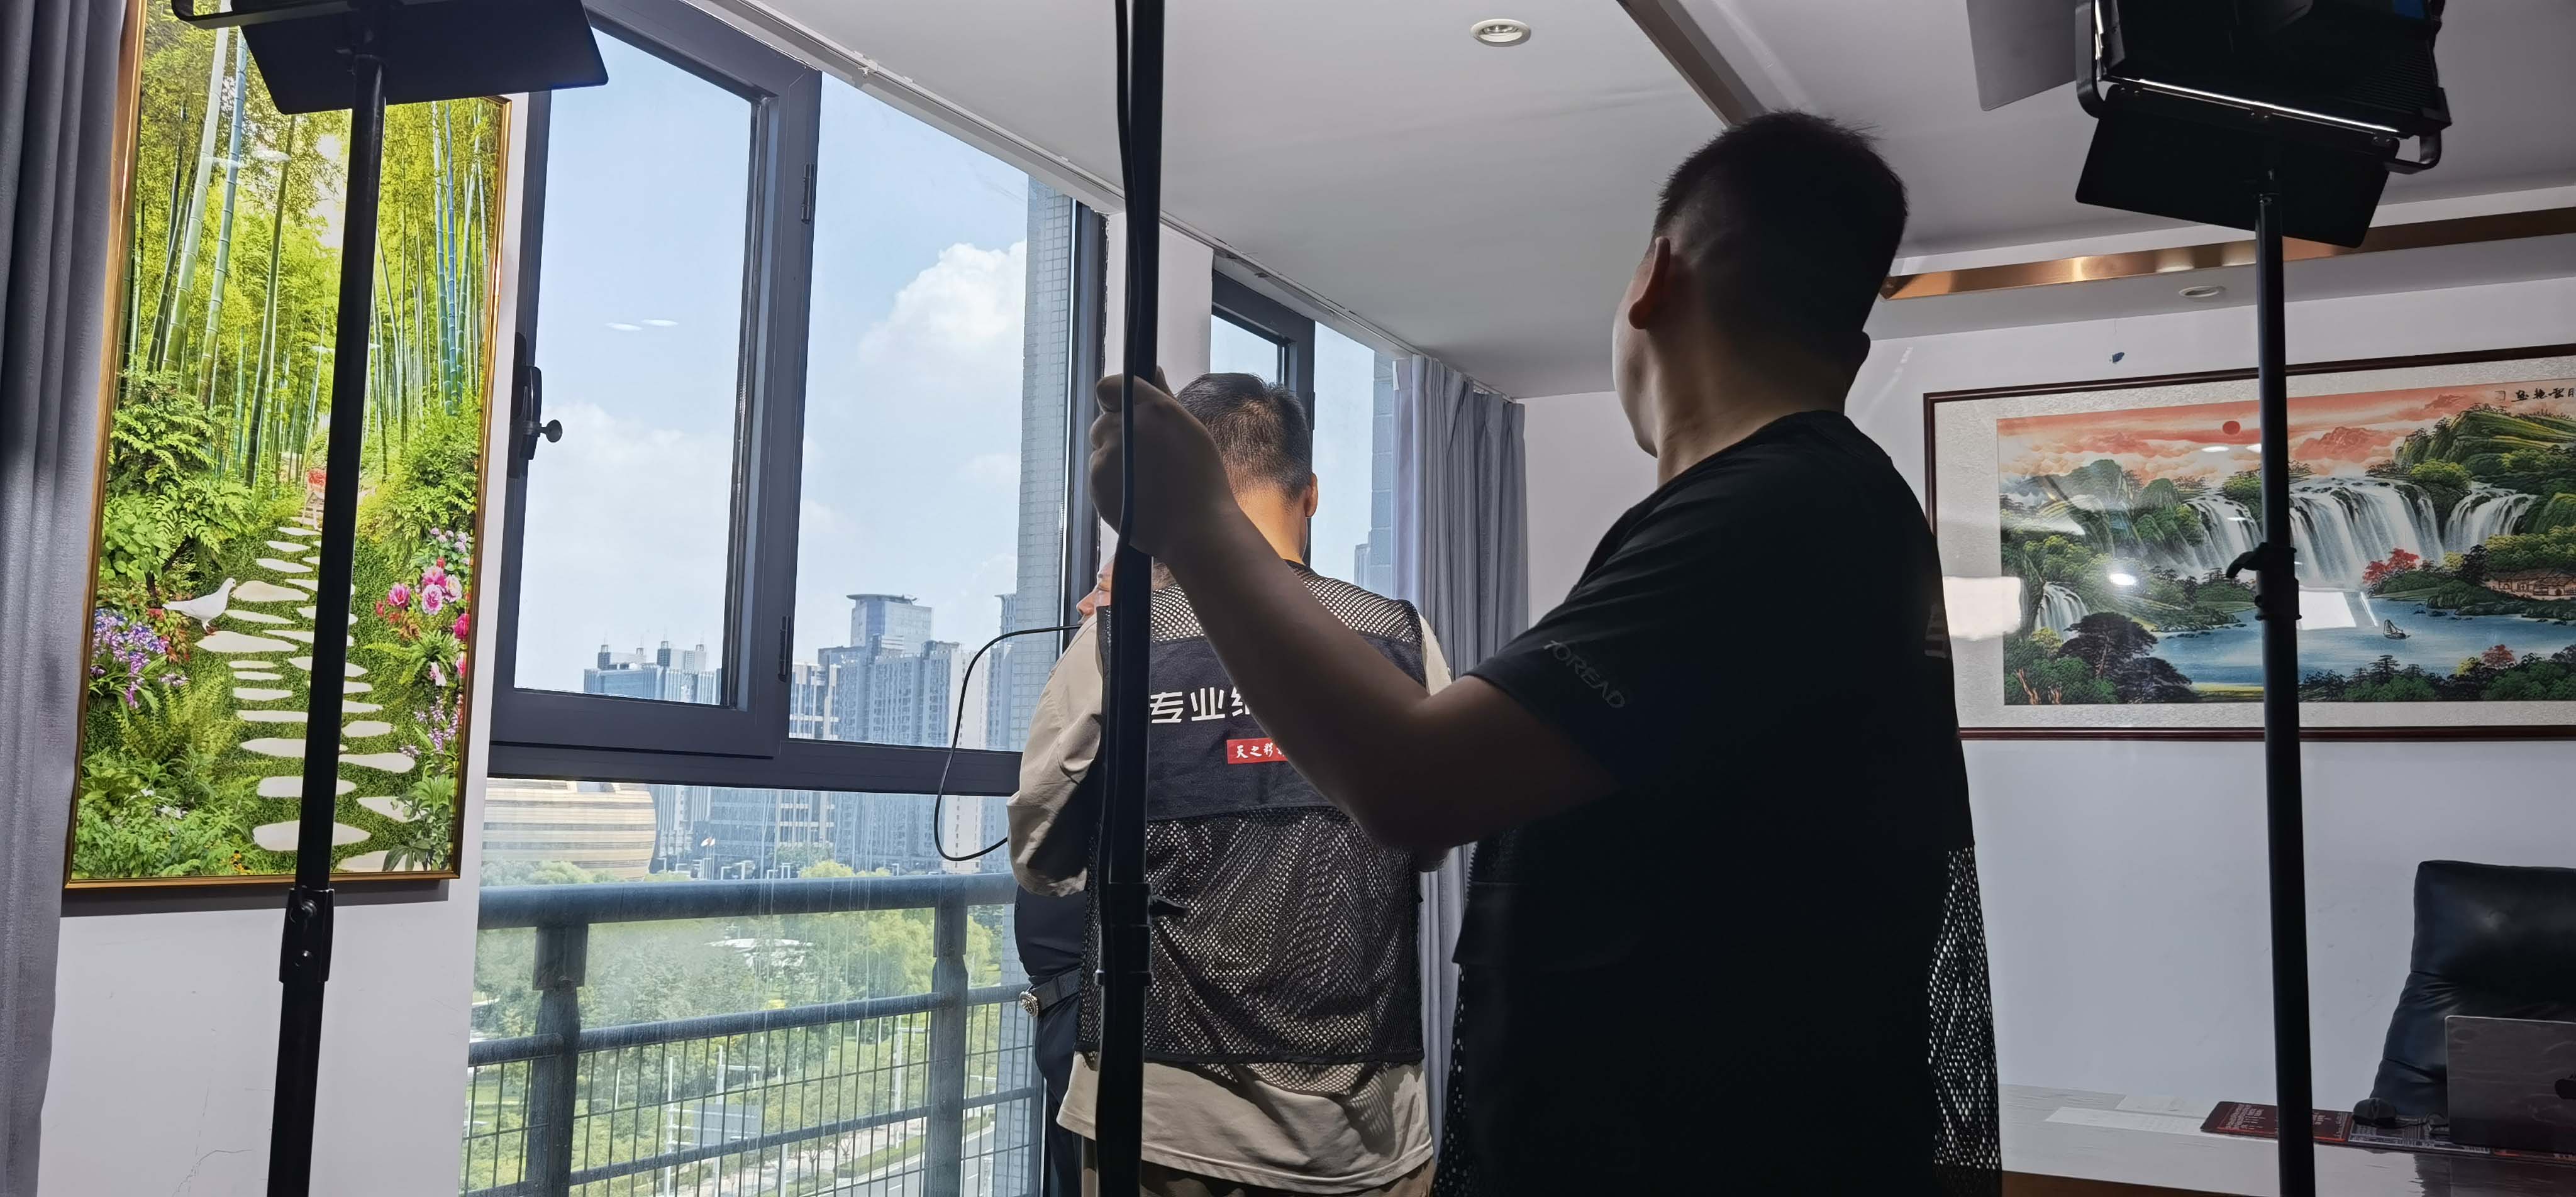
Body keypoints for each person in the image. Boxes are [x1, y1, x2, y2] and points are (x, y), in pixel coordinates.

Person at [1082, 114, 1990, 1193]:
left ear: (1653, 278)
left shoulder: (1774, 515)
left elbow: (1415, 783)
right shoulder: (1823, 510)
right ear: (1855, 346)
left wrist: (1196, 526)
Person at [1011, 373, 1449, 1197]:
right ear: (1310, 495)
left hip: (1164, 1111)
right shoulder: (1399, 635)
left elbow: (1040, 854)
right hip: (1364, 1124)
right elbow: (1427, 833)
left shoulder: (1122, 638)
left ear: (1179, 486)